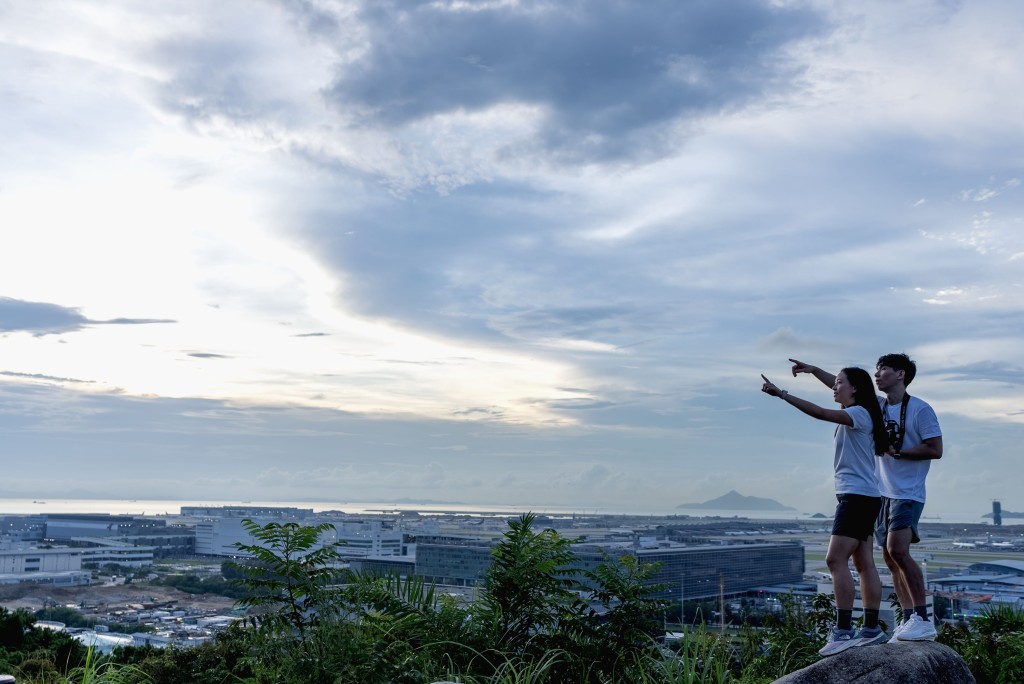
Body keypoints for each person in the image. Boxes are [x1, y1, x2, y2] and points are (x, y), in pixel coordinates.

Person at [791, 354, 943, 641]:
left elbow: (936, 449)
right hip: (880, 489)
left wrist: (898, 452)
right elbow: (846, 389)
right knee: (888, 557)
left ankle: (922, 617)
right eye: (875, 370)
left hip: (906, 490)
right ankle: (909, 617)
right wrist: (814, 371)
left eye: (883, 369)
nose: (877, 374)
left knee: (898, 551)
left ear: (900, 374)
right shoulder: (879, 406)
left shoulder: (920, 410)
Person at [761, 367, 888, 655]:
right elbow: (838, 387)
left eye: (840, 383)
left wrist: (782, 394)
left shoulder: (857, 414)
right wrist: (814, 370)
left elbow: (820, 413)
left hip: (857, 497)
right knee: (864, 563)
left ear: (855, 389)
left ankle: (843, 631)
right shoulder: (864, 411)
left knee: (834, 560)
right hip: (865, 495)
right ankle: (870, 629)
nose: (834, 387)